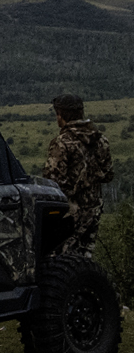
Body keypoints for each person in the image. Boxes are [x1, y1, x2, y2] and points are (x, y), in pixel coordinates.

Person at [42, 93, 115, 256]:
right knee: (85, 257)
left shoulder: (62, 143)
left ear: (61, 115)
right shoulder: (100, 140)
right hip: (93, 211)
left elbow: (52, 182)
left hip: (68, 213)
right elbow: (108, 175)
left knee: (60, 258)